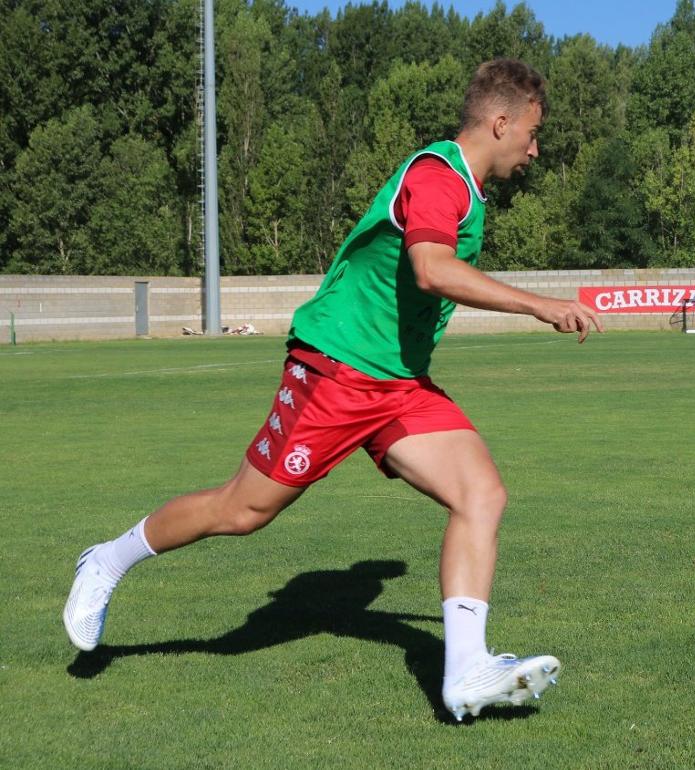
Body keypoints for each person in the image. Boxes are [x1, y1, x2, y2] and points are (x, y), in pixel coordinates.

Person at [62, 59, 601, 722]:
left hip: (398, 385)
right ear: (501, 122)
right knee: (242, 511)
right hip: (336, 373)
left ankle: (464, 673)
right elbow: (431, 269)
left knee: (481, 493)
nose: (535, 149)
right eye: (533, 132)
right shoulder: (438, 178)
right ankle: (107, 560)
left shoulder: (464, 188)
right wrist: (539, 305)